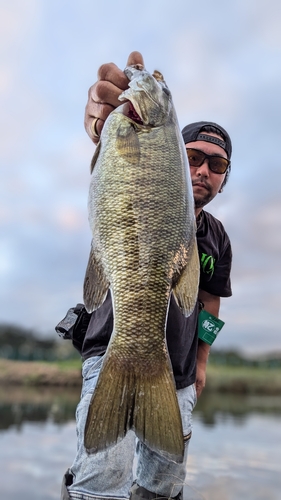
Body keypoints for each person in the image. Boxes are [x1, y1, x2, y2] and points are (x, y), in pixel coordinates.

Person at [60, 51, 232, 500]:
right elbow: (109, 156)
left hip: (175, 375)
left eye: (218, 165)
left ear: (224, 178)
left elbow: (210, 300)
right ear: (175, 153)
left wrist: (201, 364)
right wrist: (105, 126)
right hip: (110, 356)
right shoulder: (138, 142)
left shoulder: (217, 239)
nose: (203, 170)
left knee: (162, 486)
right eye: (194, 156)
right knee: (99, 483)